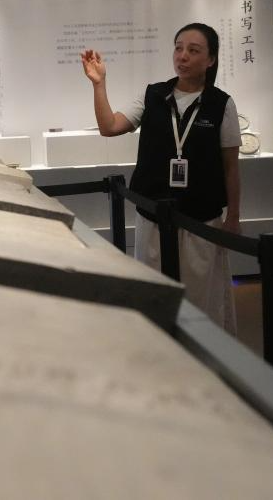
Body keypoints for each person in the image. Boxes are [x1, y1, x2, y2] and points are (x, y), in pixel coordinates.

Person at [81, 23, 241, 333]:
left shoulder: (221, 104)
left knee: (201, 304)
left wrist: (233, 216)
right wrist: (99, 84)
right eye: (178, 48)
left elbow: (231, 167)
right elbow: (109, 126)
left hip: (201, 220)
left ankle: (200, 356)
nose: (183, 56)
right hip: (152, 216)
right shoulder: (153, 94)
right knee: (154, 299)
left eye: (193, 50)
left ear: (211, 59)